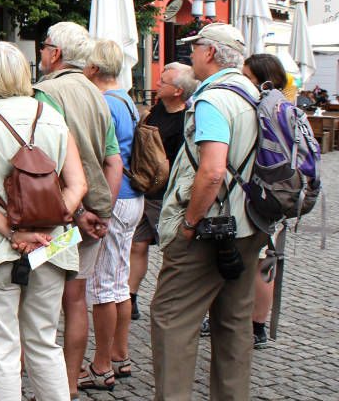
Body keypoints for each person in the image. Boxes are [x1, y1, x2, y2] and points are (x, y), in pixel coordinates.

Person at [0, 42, 88, 401]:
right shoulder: (52, 116)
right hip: (52, 247)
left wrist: (16, 232)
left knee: (1, 348)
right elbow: (77, 185)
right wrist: (47, 229)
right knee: (44, 342)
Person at [151, 23, 267, 400]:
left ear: (211, 52)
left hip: (209, 228)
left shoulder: (213, 99)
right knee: (234, 322)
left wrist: (188, 222)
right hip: (250, 224)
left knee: (171, 318)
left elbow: (213, 169)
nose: (191, 54)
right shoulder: (254, 93)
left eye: (195, 47)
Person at [32, 22, 120, 400]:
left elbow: (42, 164)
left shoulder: (44, 93)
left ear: (56, 53)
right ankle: (68, 385)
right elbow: (114, 161)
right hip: (90, 219)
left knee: (41, 304)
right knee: (76, 299)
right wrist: (104, 213)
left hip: (57, 217)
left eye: (44, 46)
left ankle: (40, 388)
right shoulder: (98, 93)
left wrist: (80, 210)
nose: (40, 52)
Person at [80, 39, 142, 391]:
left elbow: (108, 159)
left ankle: (102, 364)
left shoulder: (104, 103)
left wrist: (99, 208)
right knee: (118, 281)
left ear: (93, 69)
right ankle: (120, 354)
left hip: (114, 199)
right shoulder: (127, 99)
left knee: (104, 285)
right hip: (132, 197)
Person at [128, 62, 198, 321]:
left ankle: (175, 302)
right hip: (144, 191)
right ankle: (131, 298)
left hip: (166, 196)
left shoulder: (187, 122)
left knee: (172, 250)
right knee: (137, 245)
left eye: (163, 82)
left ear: (178, 91)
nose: (156, 84)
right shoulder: (155, 111)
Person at [242, 53, 288, 350]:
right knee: (266, 262)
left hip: (259, 193)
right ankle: (258, 326)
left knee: (255, 261)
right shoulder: (286, 106)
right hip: (283, 192)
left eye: (246, 74)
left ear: (258, 78)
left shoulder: (261, 107)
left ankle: (249, 324)